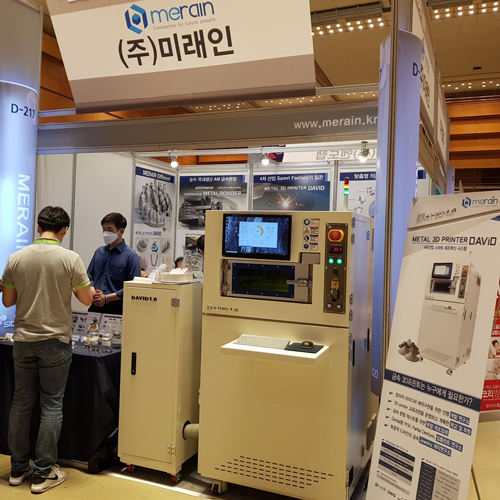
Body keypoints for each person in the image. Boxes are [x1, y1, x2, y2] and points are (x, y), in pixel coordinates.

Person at [1, 206, 93, 493]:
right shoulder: (70, 258)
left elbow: (7, 301)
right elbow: (87, 299)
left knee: (21, 403)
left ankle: (17, 469)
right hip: (56, 341)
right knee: (51, 405)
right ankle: (42, 473)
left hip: (23, 339)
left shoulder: (16, 258)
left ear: (38, 227)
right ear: (64, 230)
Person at [87, 213, 141, 315]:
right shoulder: (99, 252)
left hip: (118, 309)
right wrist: (94, 293)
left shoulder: (131, 256)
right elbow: (90, 277)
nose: (105, 233)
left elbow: (133, 286)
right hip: (96, 306)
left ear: (121, 231)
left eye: (109, 230)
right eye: (104, 229)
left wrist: (107, 298)